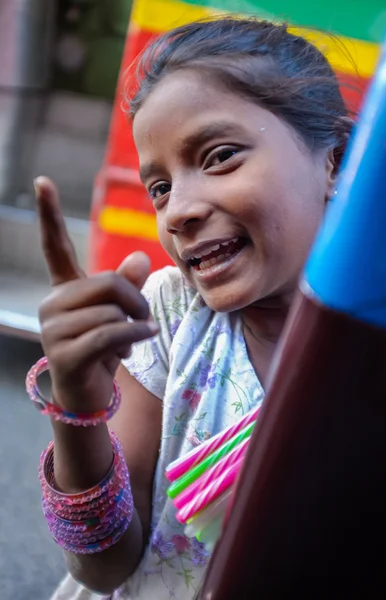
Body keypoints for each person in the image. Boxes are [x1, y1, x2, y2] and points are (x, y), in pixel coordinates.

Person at [33, 17, 352, 600]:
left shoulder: (375, 351)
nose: (177, 211)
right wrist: (77, 411)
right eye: (159, 188)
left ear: (333, 161)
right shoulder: (169, 314)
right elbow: (105, 569)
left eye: (220, 156)